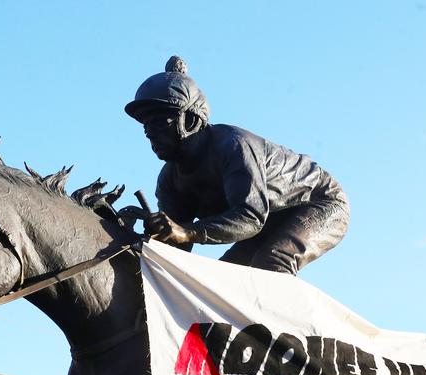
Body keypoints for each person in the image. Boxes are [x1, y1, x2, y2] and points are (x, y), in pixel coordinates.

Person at [122, 56, 349, 276]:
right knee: (225, 279)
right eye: (146, 124)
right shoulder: (170, 179)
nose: (150, 132)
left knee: (272, 261)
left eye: (160, 122)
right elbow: (176, 245)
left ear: (190, 121)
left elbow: (250, 217)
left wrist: (186, 232)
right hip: (265, 218)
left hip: (317, 201)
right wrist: (151, 236)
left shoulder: (233, 147)